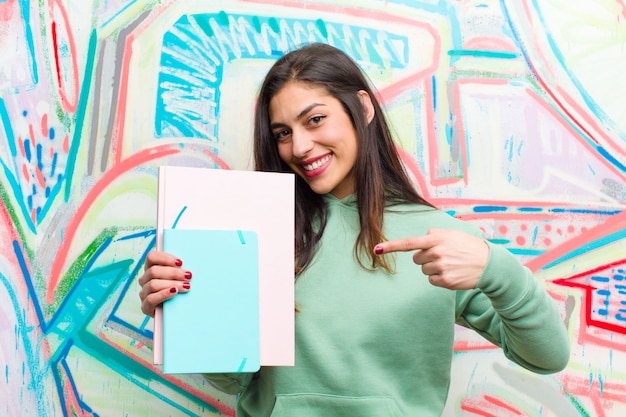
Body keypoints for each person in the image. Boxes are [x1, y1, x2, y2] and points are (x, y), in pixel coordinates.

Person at [138, 43, 570, 417]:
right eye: (283, 132)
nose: (299, 147)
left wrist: (497, 268)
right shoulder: (256, 229)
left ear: (362, 108)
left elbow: (549, 357)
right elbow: (229, 380)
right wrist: (184, 308)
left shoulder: (438, 238)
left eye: (315, 120)